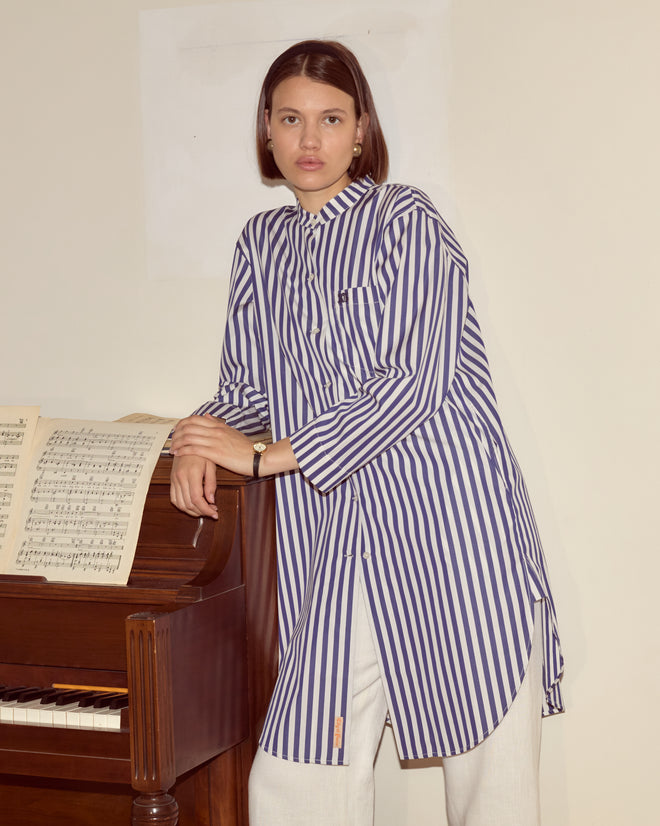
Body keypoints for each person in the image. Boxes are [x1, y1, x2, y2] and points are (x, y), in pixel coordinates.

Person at [169, 39, 564, 826]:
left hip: (452, 532)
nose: (310, 141)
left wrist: (261, 456)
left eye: (330, 119)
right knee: (293, 776)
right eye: (291, 119)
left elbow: (414, 383)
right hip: (335, 541)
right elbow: (248, 388)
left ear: (360, 132)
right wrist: (196, 436)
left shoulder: (405, 219)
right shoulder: (261, 245)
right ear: (268, 133)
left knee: (493, 788)